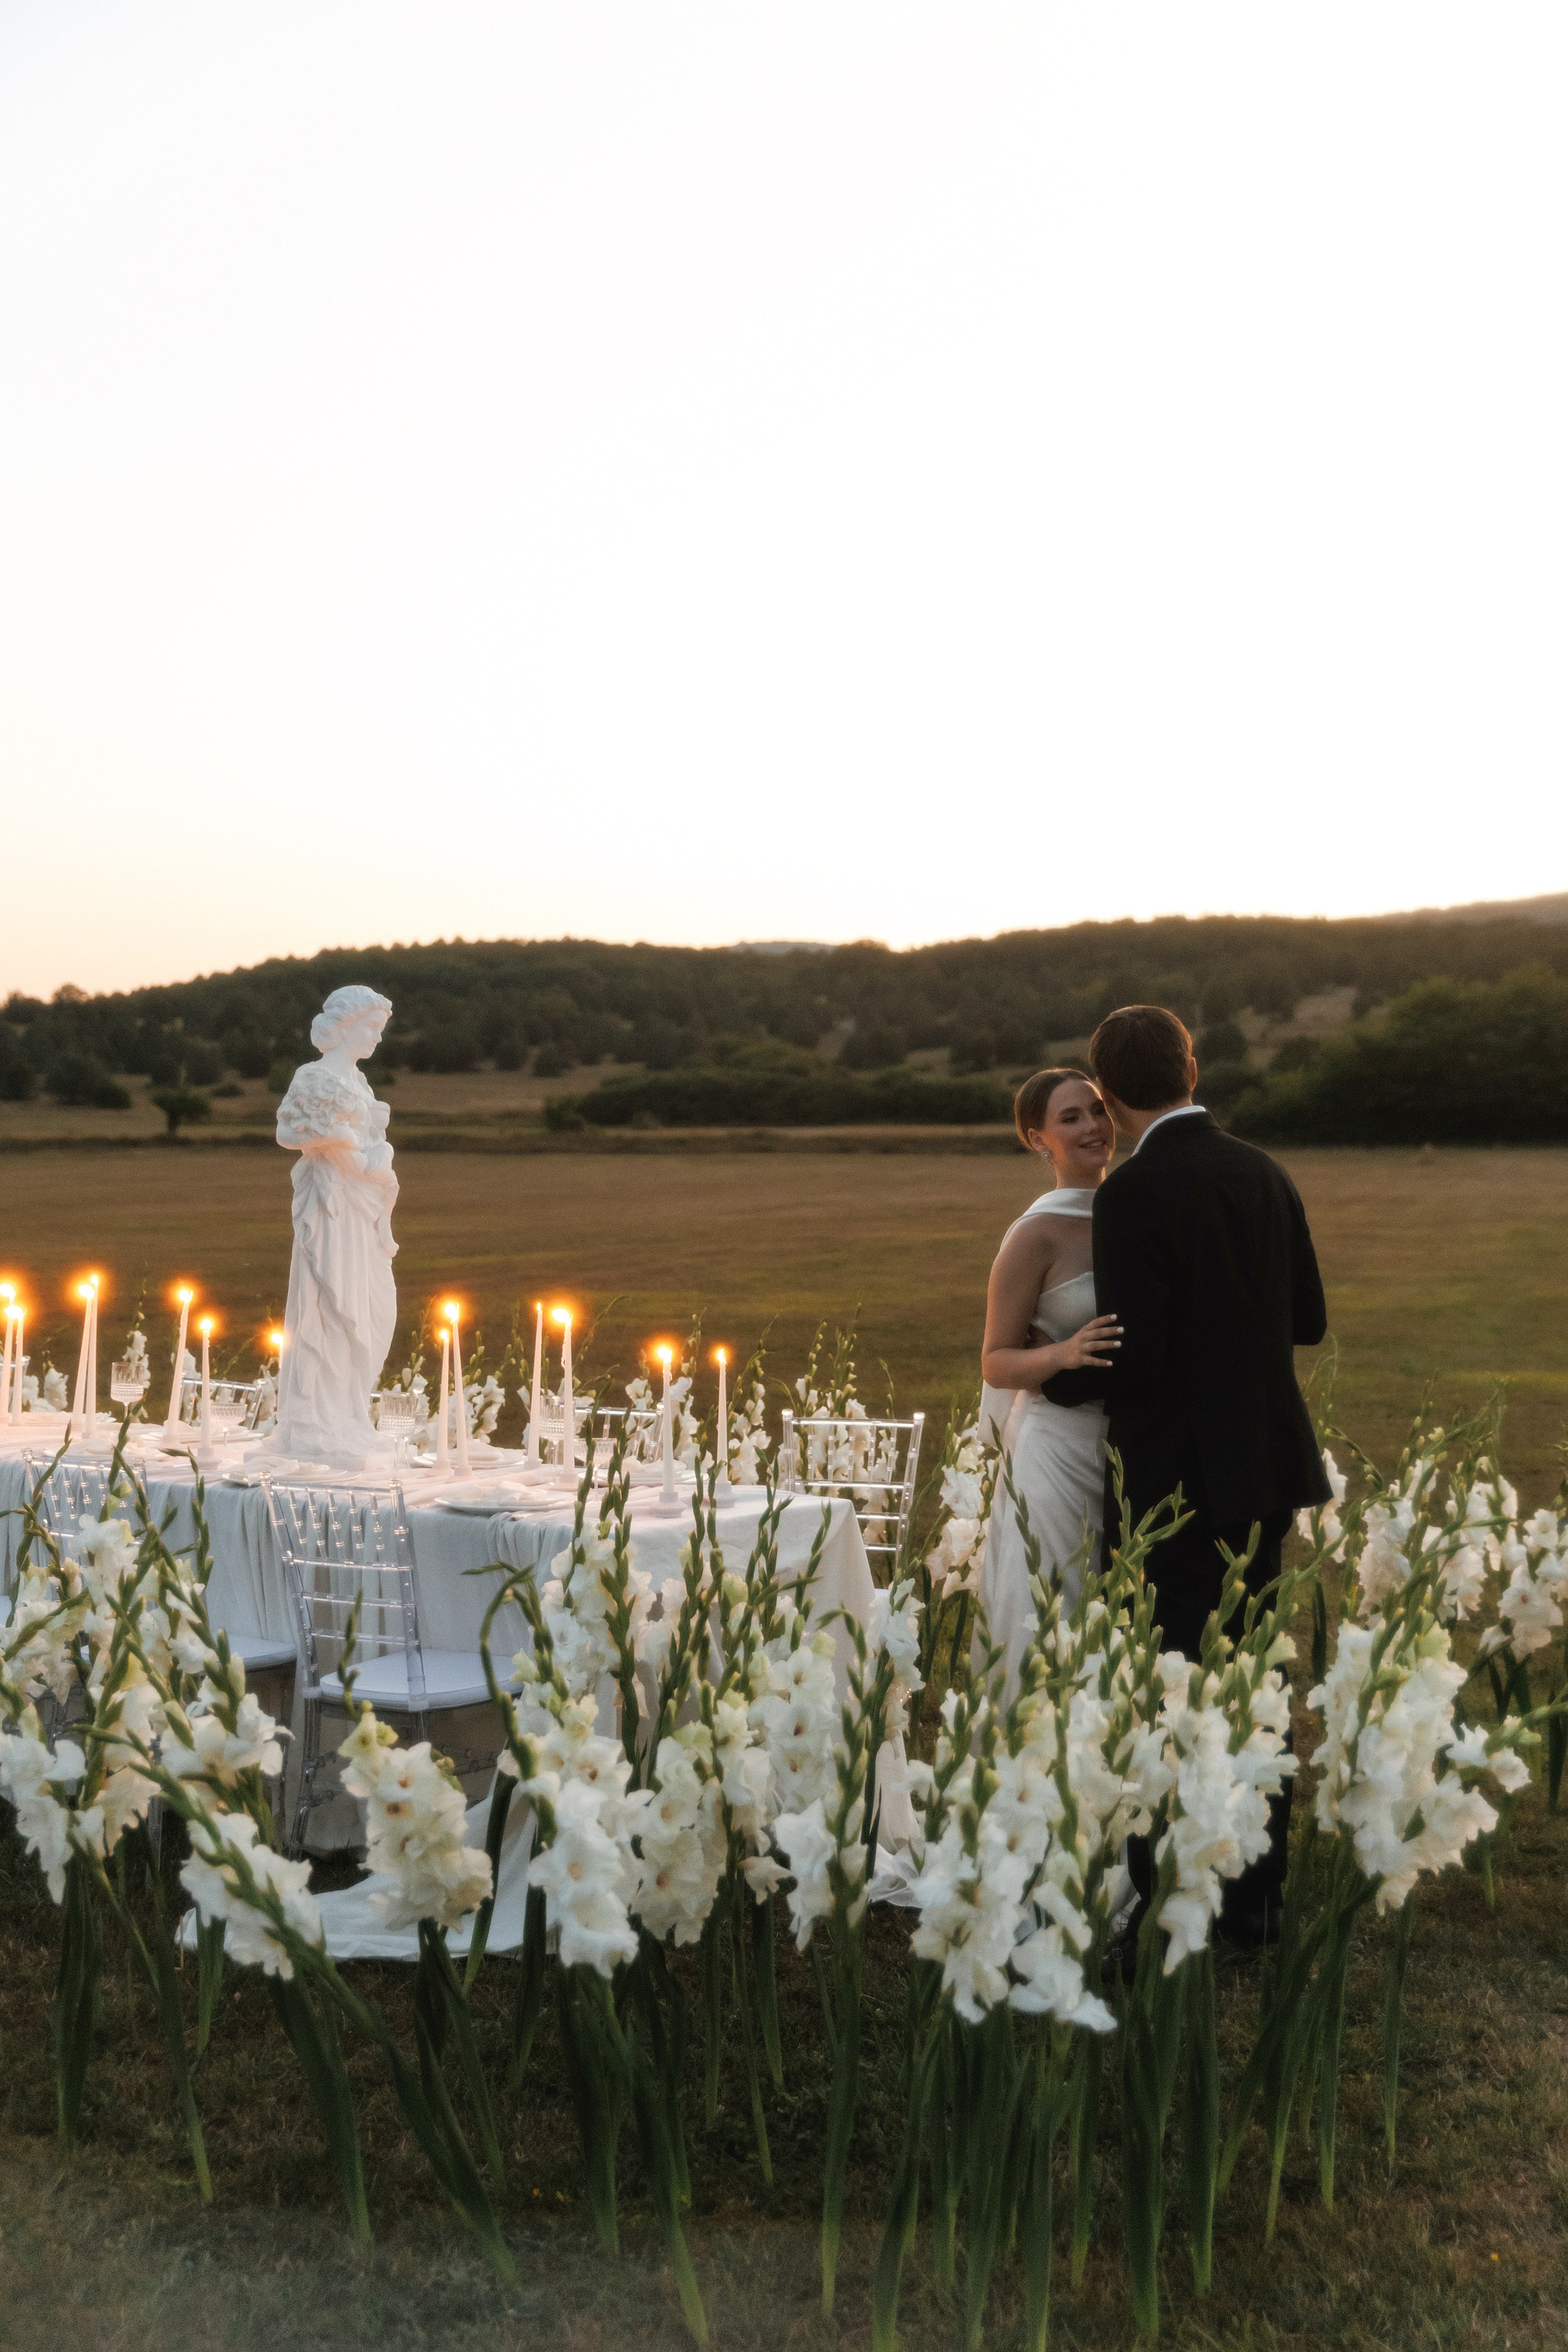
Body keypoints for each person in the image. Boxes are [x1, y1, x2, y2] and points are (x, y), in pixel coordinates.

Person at [1044, 1002, 1330, 1934]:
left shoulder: (1134, 1192)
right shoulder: (1264, 1171)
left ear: (1112, 1093)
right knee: (1253, 1681)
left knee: (1167, 1681)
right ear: (1192, 1070)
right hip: (1265, 1467)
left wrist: (1056, 1385)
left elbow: (1142, 1355)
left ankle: (1166, 1896)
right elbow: (1308, 1319)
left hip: (1174, 1482)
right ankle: (1253, 1898)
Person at [977, 1068, 1123, 1697]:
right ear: (1038, 1139)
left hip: (1125, 1447)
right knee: (1054, 1609)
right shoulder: (1034, 1234)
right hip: (1056, 1450)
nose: (1092, 1126)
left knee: (1112, 1621)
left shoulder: (1134, 1210)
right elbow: (996, 1360)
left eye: (1096, 1110)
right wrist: (1062, 1353)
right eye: (1070, 1118)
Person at [269, 984, 399, 1470]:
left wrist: (374, 1145)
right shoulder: (314, 1075)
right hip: (330, 1207)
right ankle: (315, 1423)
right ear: (346, 1026)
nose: (377, 1039)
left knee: (371, 1308)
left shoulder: (361, 1083)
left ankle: (349, 1414)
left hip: (360, 1206)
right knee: (328, 1305)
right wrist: (334, 1138)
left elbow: (366, 1142)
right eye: (372, 1028)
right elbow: (287, 1132)